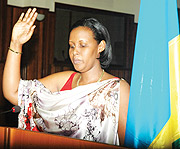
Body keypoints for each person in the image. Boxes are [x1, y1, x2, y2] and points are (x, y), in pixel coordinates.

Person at [3, 8, 130, 146]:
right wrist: (16, 43)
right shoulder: (65, 79)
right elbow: (14, 92)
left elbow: (127, 143)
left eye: (82, 45)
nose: (75, 52)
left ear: (101, 47)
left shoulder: (117, 89)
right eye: (71, 46)